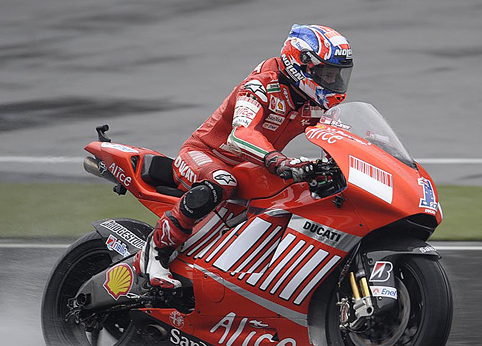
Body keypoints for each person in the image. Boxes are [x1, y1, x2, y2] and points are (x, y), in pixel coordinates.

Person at [137, 24, 353, 289]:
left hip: (253, 165)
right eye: (325, 74)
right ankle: (157, 251)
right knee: (222, 181)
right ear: (301, 65)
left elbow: (341, 136)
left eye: (336, 75)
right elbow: (240, 134)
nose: (332, 82)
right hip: (204, 154)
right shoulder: (260, 85)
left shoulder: (316, 102)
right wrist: (279, 161)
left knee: (305, 189)